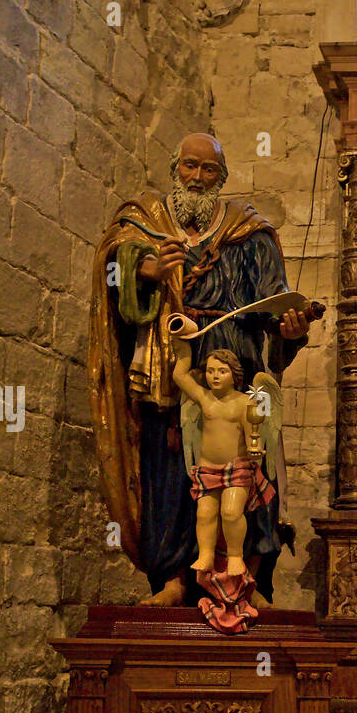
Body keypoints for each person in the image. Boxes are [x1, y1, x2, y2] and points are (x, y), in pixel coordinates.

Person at [89, 132, 310, 606]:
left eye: (209, 170)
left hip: (236, 358)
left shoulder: (251, 232)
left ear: (222, 177)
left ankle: (247, 579)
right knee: (168, 462)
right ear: (175, 169)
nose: (197, 177)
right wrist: (144, 272)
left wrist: (289, 330)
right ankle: (172, 577)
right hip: (168, 359)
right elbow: (112, 272)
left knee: (247, 463)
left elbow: (273, 303)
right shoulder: (143, 224)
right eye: (190, 166)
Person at [171, 345, 276, 577]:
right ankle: (206, 553)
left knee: (230, 513)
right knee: (204, 513)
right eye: (210, 371)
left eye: (221, 371)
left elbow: (253, 436)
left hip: (235, 468)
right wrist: (184, 346)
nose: (215, 376)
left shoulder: (244, 403)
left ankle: (235, 556)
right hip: (208, 467)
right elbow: (179, 376)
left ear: (234, 375)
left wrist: (254, 450)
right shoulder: (204, 398)